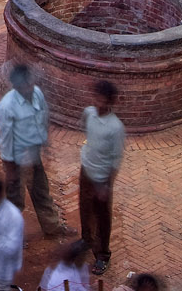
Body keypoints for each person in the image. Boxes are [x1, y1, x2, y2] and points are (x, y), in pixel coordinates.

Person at [0, 63, 67, 236]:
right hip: (16, 158)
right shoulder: (7, 106)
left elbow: (42, 117)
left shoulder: (37, 94)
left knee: (41, 191)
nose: (28, 87)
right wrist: (11, 168)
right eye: (24, 85)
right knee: (15, 200)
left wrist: (44, 144)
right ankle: (10, 234)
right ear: (16, 86)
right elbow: (5, 140)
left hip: (33, 153)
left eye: (29, 83)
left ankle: (52, 227)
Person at [79, 81, 124, 275]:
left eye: (102, 99)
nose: (97, 102)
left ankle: (103, 254)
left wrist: (106, 185)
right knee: (85, 209)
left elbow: (116, 160)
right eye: (96, 97)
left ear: (110, 101)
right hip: (86, 170)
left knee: (102, 216)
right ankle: (86, 241)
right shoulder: (89, 113)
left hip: (102, 177)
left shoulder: (115, 127)